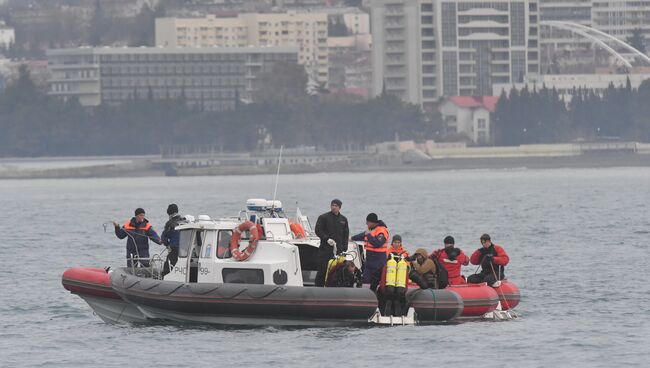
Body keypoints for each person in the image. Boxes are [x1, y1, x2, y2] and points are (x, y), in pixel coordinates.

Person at [314, 199, 349, 287]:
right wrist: (326, 238)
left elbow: (346, 234)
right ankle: (318, 289)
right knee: (322, 271)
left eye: (336, 206)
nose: (334, 207)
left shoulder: (343, 219)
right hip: (325, 250)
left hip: (339, 252)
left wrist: (344, 248)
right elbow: (318, 230)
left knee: (338, 271)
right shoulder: (323, 217)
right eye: (332, 205)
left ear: (340, 207)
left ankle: (334, 289)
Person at [351, 213, 389, 292]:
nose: (366, 224)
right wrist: (351, 238)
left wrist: (368, 235)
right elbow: (362, 235)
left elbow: (377, 243)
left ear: (373, 222)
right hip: (369, 261)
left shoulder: (382, 231)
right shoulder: (371, 229)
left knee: (376, 282)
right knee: (366, 280)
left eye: (367, 222)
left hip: (379, 261)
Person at [161, 203, 183, 277]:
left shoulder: (169, 223)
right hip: (185, 249)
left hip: (174, 249)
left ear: (169, 213)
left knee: (168, 266)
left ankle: (164, 278)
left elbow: (164, 237)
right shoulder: (184, 221)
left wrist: (167, 245)